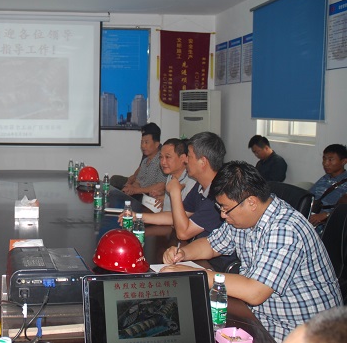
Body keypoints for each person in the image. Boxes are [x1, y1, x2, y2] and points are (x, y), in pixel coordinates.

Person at [161, 161, 342, 342]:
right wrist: (183, 253)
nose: (222, 214)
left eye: (225, 208)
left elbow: (255, 292)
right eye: (220, 207)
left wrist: (198, 274)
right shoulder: (241, 217)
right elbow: (211, 244)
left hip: (299, 330)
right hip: (260, 316)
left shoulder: (285, 229)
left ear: (251, 202)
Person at [121, 133, 223, 241]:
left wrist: (175, 192)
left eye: (189, 157)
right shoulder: (200, 187)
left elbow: (183, 233)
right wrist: (137, 216)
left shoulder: (218, 196)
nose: (186, 161)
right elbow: (174, 217)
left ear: (203, 162)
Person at [109, 123, 166, 200]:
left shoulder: (162, 161)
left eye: (146, 142)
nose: (143, 146)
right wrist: (131, 188)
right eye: (142, 142)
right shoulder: (145, 161)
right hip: (140, 193)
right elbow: (138, 181)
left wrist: (136, 190)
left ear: (156, 144)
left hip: (149, 197)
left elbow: (161, 186)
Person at [308, 144, 347, 232]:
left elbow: (343, 212)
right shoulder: (325, 178)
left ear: (344, 161)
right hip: (311, 218)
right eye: (324, 159)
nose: (325, 163)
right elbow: (309, 196)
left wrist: (327, 215)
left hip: (329, 225)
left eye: (330, 159)